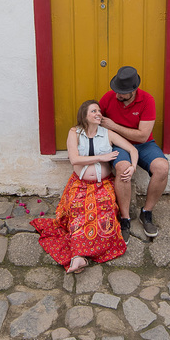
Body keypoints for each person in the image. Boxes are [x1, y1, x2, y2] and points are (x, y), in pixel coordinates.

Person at [32, 100, 139, 273]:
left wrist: (133, 167)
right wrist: (101, 158)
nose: (98, 113)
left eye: (99, 111)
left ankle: (81, 256)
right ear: (84, 115)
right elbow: (74, 159)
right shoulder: (74, 133)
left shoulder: (107, 133)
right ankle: (78, 256)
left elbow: (133, 150)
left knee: (104, 212)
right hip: (79, 184)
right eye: (93, 111)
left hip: (103, 184)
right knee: (78, 210)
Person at [99, 66, 169, 239]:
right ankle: (125, 219)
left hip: (143, 145)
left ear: (133, 90)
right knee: (123, 169)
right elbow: (95, 119)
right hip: (118, 145)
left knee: (162, 168)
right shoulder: (108, 98)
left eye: (122, 93)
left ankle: (147, 212)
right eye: (116, 90)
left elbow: (143, 135)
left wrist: (113, 126)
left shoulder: (147, 100)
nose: (118, 95)